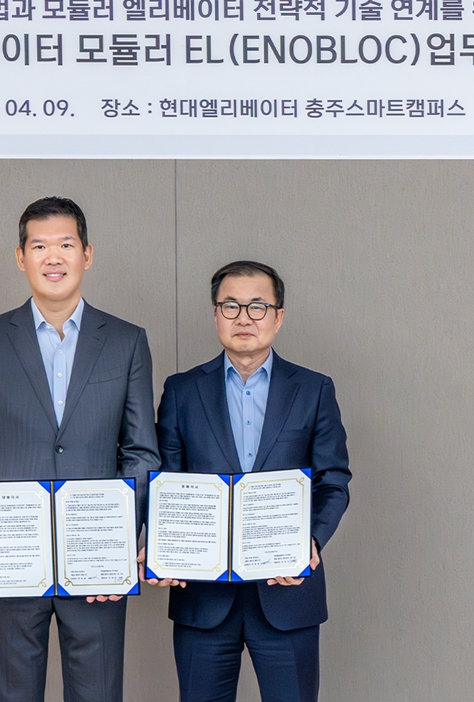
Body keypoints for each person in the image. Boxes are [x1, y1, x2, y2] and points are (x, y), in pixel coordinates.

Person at [0, 196, 160, 702]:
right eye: (39, 246)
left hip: (96, 565)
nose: (53, 257)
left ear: (87, 253)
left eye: (65, 244)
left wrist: (117, 542)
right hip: (10, 559)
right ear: (21, 258)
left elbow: (141, 453)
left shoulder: (127, 341)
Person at [145, 260, 351, 702]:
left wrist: (311, 541)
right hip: (202, 599)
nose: (244, 318)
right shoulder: (182, 391)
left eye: (258, 306)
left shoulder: (313, 389)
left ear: (279, 316)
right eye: (231, 305)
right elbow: (166, 482)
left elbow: (333, 481)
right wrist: (161, 545)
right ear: (215, 315)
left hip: (286, 595)